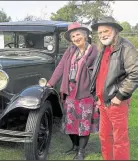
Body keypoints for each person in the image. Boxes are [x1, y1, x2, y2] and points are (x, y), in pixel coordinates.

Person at [90, 16, 138, 160]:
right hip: (102, 102)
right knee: (104, 137)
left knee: (120, 140)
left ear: (115, 30)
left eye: (105, 31)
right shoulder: (102, 48)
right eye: (100, 33)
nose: (102, 35)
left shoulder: (126, 47)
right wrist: (97, 96)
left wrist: (120, 96)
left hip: (117, 103)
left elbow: (136, 74)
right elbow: (98, 75)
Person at [47, 22, 99, 160]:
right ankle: (75, 146)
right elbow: (60, 67)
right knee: (70, 121)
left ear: (85, 35)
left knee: (84, 123)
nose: (76, 38)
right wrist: (50, 82)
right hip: (69, 92)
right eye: (73, 36)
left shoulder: (94, 51)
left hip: (86, 93)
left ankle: (81, 151)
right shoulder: (70, 51)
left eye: (78, 35)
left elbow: (100, 73)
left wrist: (99, 94)